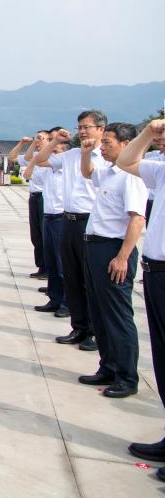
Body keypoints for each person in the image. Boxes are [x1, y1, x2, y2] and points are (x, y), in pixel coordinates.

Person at [75, 122, 146, 398]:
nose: (102, 147)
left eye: (108, 143)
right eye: (102, 143)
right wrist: (86, 152)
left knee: (117, 315)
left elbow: (137, 219)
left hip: (113, 250)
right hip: (95, 247)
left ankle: (126, 377)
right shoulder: (110, 172)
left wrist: (123, 257)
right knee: (99, 312)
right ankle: (108, 366)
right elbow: (87, 172)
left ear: (127, 145)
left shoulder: (131, 176)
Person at [33, 110, 107, 350]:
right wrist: (55, 141)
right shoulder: (71, 154)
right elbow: (40, 159)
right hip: (68, 220)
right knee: (72, 277)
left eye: (87, 126)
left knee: (90, 280)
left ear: (100, 129)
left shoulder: (105, 157)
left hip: (90, 222)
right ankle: (79, 326)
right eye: (80, 127)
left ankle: (95, 332)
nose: (82, 131)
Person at [116, 120, 165, 478]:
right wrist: (148, 133)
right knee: (162, 359)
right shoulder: (161, 169)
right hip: (156, 271)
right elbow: (126, 161)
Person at [26, 129, 69, 316]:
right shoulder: (50, 167)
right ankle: (55, 298)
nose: (52, 147)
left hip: (61, 218)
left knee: (62, 265)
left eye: (55, 144)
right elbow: (30, 169)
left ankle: (67, 303)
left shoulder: (68, 166)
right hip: (48, 216)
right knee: (51, 262)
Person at [10, 133, 49, 279]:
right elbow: (13, 157)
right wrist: (26, 143)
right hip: (34, 197)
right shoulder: (34, 156)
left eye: (42, 138)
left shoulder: (53, 158)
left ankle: (48, 268)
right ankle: (41, 266)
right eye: (37, 138)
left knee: (46, 235)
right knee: (36, 235)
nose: (39, 141)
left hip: (45, 198)